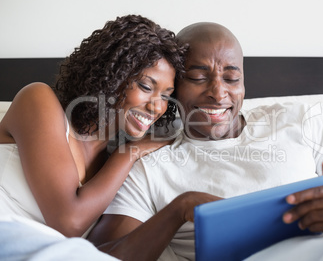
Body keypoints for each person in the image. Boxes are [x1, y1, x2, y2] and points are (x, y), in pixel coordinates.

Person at [87, 22, 323, 260]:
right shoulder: (150, 166)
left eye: (231, 77)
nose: (218, 92)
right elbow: (104, 255)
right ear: (174, 88)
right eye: (198, 77)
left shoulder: (301, 122)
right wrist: (178, 210)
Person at [0, 13, 186, 242]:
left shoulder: (114, 163)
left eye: (166, 96)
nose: (157, 107)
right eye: (146, 86)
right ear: (113, 75)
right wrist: (128, 154)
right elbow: (69, 222)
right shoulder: (38, 101)